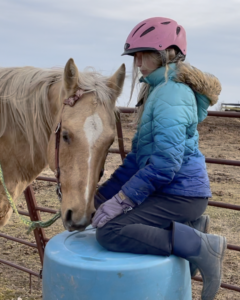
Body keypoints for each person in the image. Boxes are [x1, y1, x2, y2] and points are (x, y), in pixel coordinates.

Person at [92, 17, 226, 300]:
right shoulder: (157, 90)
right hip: (170, 192)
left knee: (111, 232)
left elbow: (166, 163)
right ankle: (189, 229)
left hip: (181, 195)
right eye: (135, 55)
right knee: (101, 208)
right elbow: (137, 158)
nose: (137, 62)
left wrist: (124, 200)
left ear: (166, 53)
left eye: (144, 54)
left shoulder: (172, 93)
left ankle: (204, 246)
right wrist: (103, 196)